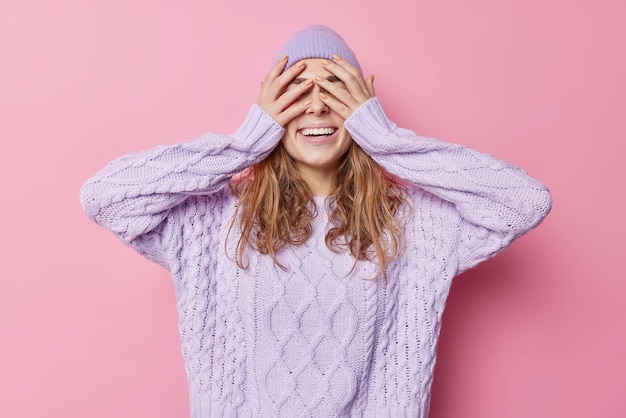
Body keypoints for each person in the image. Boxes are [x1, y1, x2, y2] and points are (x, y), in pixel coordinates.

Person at [80, 25, 551, 417]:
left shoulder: (414, 224)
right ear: (270, 107)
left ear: (362, 104)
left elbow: (524, 201)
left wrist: (385, 138)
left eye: (335, 92)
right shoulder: (215, 222)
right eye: (297, 92)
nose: (318, 106)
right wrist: (244, 143)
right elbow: (104, 197)